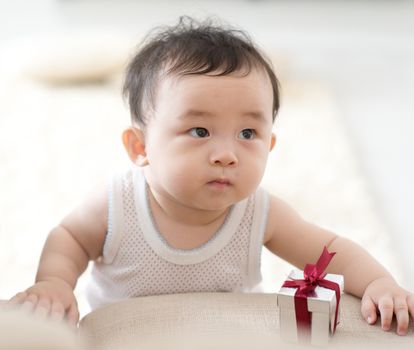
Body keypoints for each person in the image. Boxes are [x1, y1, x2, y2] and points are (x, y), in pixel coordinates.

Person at [8, 16, 413, 335]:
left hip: (223, 334)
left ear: (270, 146)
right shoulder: (118, 204)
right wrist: (55, 282)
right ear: (140, 147)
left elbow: (329, 249)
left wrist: (379, 282)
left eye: (248, 134)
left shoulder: (260, 212)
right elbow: (70, 238)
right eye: (199, 131)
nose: (226, 155)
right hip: (130, 336)